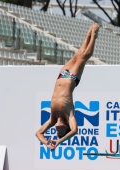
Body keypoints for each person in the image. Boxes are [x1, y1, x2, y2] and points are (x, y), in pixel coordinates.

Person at [36, 23, 99, 151]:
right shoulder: (69, 116)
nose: (57, 130)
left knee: (78, 55)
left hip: (61, 77)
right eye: (61, 131)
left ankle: (88, 33)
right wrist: (59, 141)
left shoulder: (52, 119)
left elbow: (38, 133)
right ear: (66, 127)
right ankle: (94, 35)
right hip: (72, 79)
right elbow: (75, 130)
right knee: (84, 56)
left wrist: (46, 143)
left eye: (56, 132)